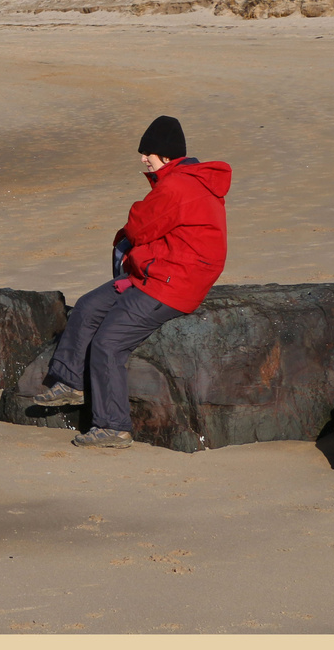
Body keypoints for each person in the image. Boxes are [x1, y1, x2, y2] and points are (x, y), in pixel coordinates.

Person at [32, 116, 232, 448]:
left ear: (167, 156)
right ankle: (70, 382)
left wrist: (131, 239)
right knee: (89, 305)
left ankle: (113, 426)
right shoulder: (184, 181)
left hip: (172, 282)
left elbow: (138, 226)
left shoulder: (176, 186)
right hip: (160, 273)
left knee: (108, 343)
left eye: (148, 153)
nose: (143, 159)